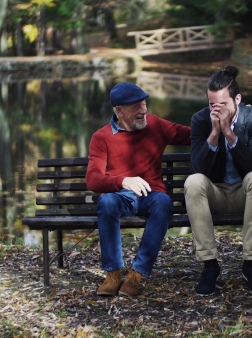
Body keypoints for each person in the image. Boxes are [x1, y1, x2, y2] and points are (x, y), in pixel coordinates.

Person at [184, 65, 252, 296]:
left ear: (237, 99)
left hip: (246, 194)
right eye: (212, 105)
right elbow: (196, 168)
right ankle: (210, 266)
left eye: (223, 104)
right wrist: (214, 134)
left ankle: (251, 265)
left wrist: (229, 133)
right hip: (215, 195)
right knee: (193, 181)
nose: (217, 110)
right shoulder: (200, 120)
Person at [85, 82, 190, 298]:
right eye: (136, 107)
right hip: (120, 195)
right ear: (119, 111)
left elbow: (192, 135)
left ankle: (136, 275)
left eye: (144, 104)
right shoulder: (101, 137)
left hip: (151, 195)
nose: (143, 111)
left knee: (163, 203)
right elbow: (93, 179)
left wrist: (222, 117)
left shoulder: (156, 125)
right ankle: (113, 274)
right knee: (106, 202)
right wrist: (123, 181)